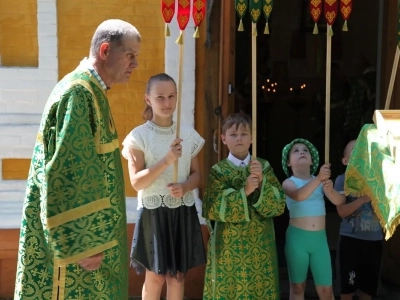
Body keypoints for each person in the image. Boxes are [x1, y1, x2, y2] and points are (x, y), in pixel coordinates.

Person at [13, 19, 141, 299]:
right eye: (130, 55)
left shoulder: (90, 91)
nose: (135, 64)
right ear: (105, 51)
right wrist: (85, 241)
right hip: (77, 255)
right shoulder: (78, 94)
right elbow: (69, 167)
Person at [121, 73, 206, 299]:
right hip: (153, 213)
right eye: (160, 97)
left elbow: (197, 175)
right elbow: (137, 182)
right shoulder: (138, 137)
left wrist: (186, 186)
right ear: (148, 99)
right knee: (155, 276)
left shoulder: (187, 135)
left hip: (181, 211)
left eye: (171, 96)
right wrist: (167, 161)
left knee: (177, 276)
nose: (167, 103)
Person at [202, 113, 286, 300]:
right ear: (224, 139)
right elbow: (213, 207)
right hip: (228, 244)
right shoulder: (218, 171)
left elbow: (279, 204)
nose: (239, 138)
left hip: (260, 244)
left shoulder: (263, 166)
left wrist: (263, 182)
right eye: (233, 134)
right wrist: (246, 190)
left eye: (244, 134)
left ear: (252, 137)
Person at [281, 138, 343, 300]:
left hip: (319, 241)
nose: (301, 152)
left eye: (305, 150)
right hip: (297, 240)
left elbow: (339, 201)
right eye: (296, 151)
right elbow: (298, 195)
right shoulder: (288, 182)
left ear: (311, 160)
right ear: (288, 163)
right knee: (297, 287)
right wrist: (319, 179)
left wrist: (329, 188)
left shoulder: (321, 182)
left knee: (326, 291)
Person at [334, 140, 383, 300]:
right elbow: (342, 211)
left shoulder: (377, 181)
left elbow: (384, 213)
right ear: (345, 160)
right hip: (351, 241)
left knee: (367, 291)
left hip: (374, 242)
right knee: (347, 290)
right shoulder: (342, 179)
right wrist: (362, 199)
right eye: (355, 150)